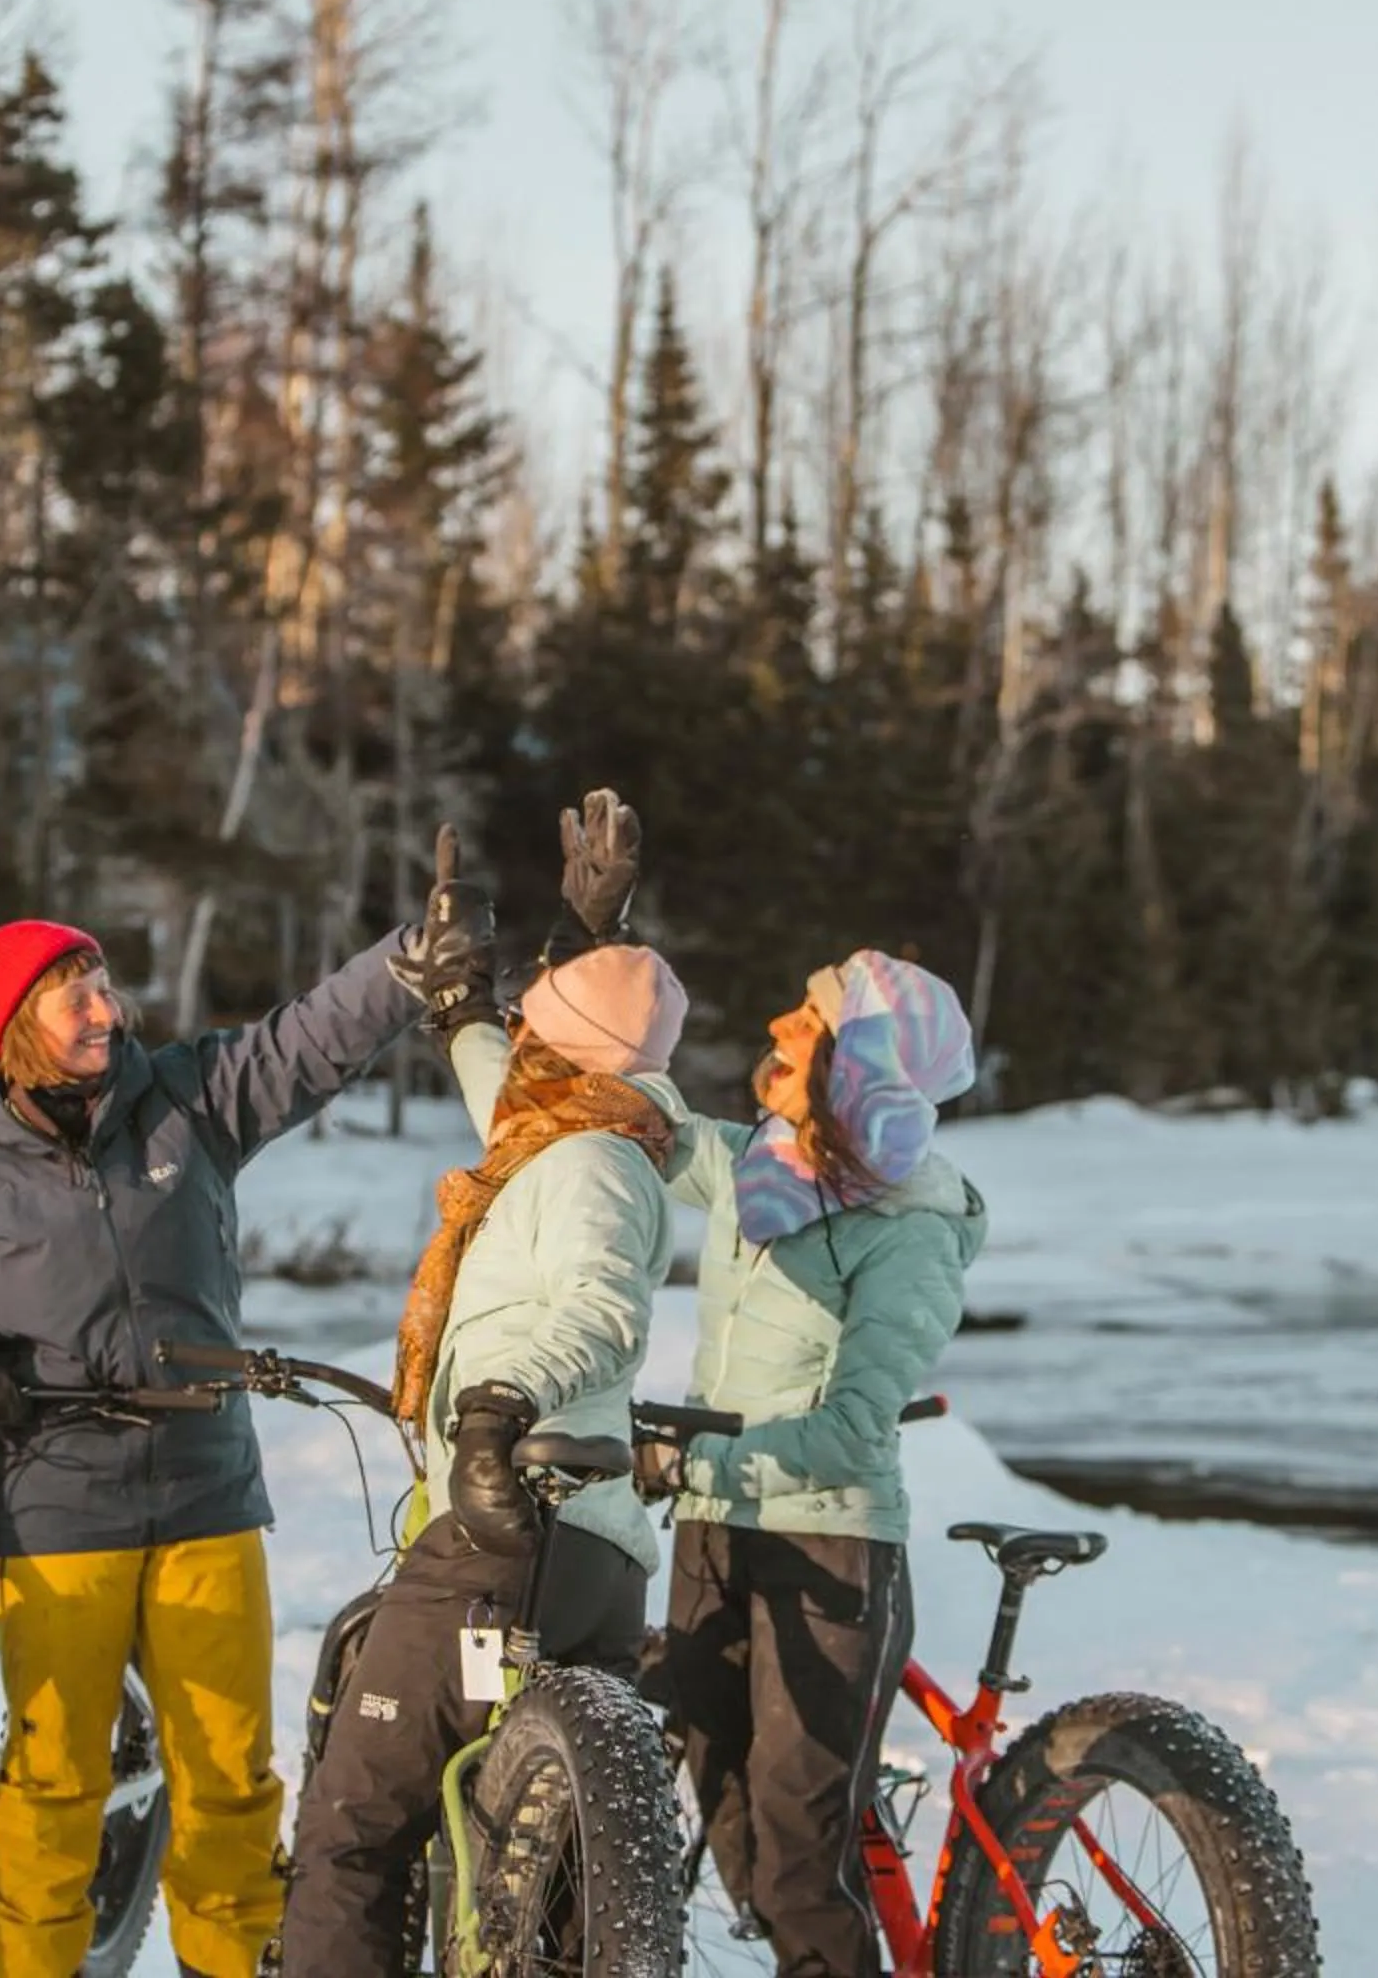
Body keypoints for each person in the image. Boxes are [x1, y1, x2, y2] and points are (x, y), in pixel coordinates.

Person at [0, 860, 492, 1978]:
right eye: (73, 992)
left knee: (230, 1782)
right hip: (54, 1495)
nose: (104, 1008)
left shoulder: (182, 1099)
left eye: (105, 984)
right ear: (11, 1026)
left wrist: (405, 963)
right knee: (49, 1795)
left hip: (204, 1483)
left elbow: (303, 1041)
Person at [276, 793, 685, 1972]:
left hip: (510, 1524)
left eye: (532, 1020)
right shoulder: (573, 1126)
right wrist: (461, 1000)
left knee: (354, 1826)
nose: (515, 1035)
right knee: (540, 1860)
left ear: (568, 1051)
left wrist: (492, 1401)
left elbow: (599, 1311)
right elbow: (504, 1079)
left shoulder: (592, 1163)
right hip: (591, 1545)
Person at [638, 944, 987, 1978]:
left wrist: (682, 1463)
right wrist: (579, 955)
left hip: (828, 1542)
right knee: (725, 1789)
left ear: (865, 1060)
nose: (782, 1026)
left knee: (800, 1853)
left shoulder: (912, 1226)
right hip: (715, 1524)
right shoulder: (766, 1164)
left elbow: (852, 1429)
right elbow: (631, 1117)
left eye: (811, 1016)